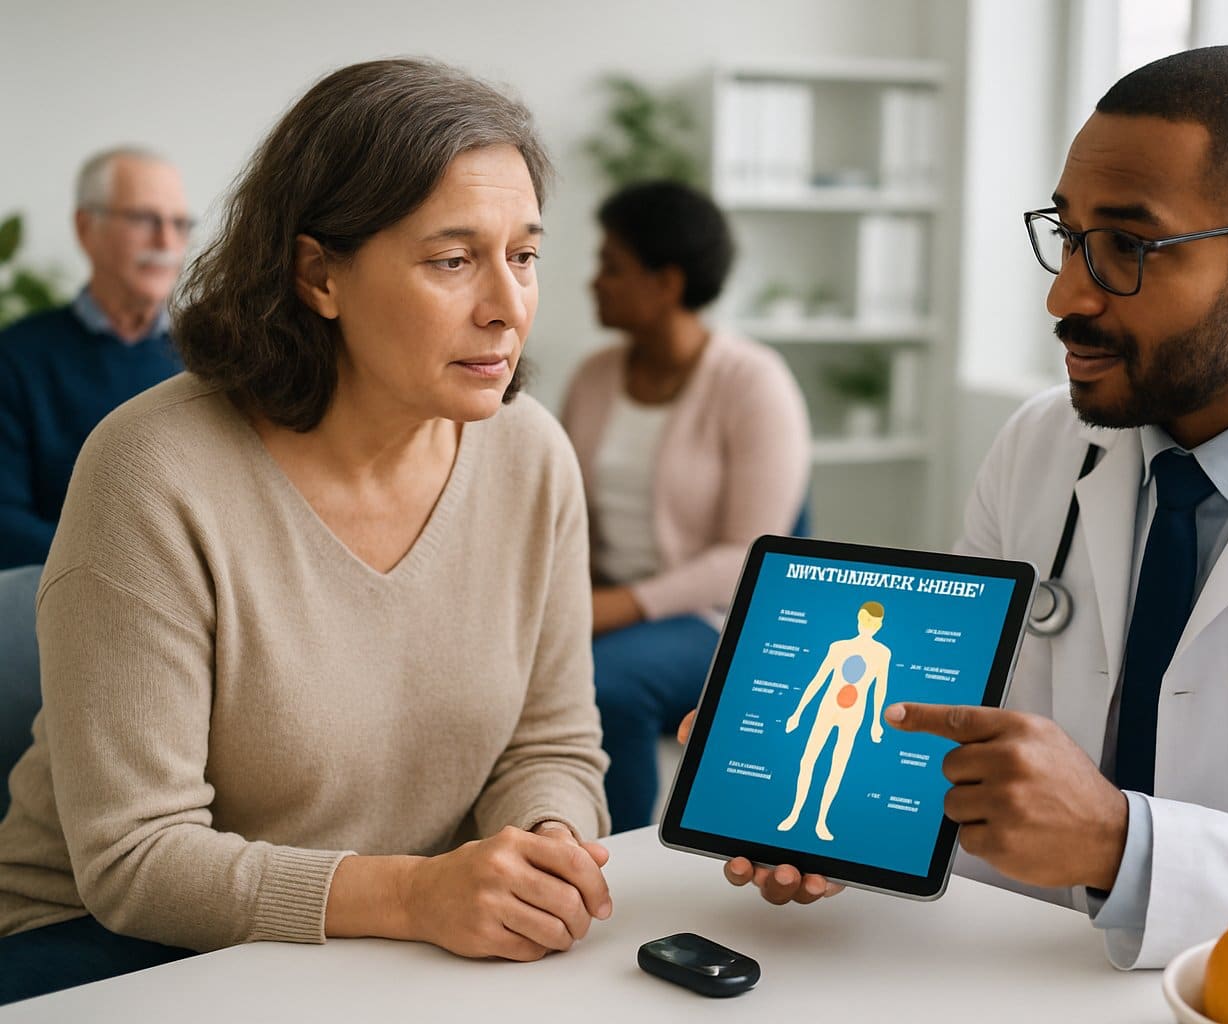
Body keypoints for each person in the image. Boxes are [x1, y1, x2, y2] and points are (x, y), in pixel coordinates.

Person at [689, 44, 1228, 965]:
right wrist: (847, 813)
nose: (1066, 293)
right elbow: (966, 739)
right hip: (1025, 963)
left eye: (1128, 247)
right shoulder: (1041, 444)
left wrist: (1119, 843)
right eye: (1067, 234)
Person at [0, 58, 612, 1004]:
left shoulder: (533, 456)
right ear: (317, 272)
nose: (508, 305)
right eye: (452, 260)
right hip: (108, 952)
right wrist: (415, 892)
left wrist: (546, 851)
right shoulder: (153, 470)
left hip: (380, 941)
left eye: (523, 255)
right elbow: (135, 857)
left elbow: (551, 744)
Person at [560, 180, 811, 833]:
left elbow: (748, 558)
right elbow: (560, 510)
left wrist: (612, 608)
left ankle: (610, 862)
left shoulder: (753, 382)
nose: (595, 282)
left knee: (603, 683)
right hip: (602, 602)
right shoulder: (594, 376)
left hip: (719, 617)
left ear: (667, 282)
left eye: (611, 266)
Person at [0, 147, 190, 569]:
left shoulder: (214, 360)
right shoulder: (15, 358)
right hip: (53, 607)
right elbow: (4, 522)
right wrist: (123, 565)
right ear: (87, 228)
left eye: (179, 223)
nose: (166, 241)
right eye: (145, 219)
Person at [777, 600, 890, 841]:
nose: (868, 625)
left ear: (880, 625)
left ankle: (821, 821)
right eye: (865, 619)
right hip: (827, 709)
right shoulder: (838, 647)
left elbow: (880, 689)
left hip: (854, 715)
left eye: (873, 622)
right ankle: (795, 813)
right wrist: (798, 712)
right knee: (807, 760)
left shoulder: (882, 653)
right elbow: (818, 680)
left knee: (837, 767)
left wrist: (876, 722)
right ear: (859, 618)